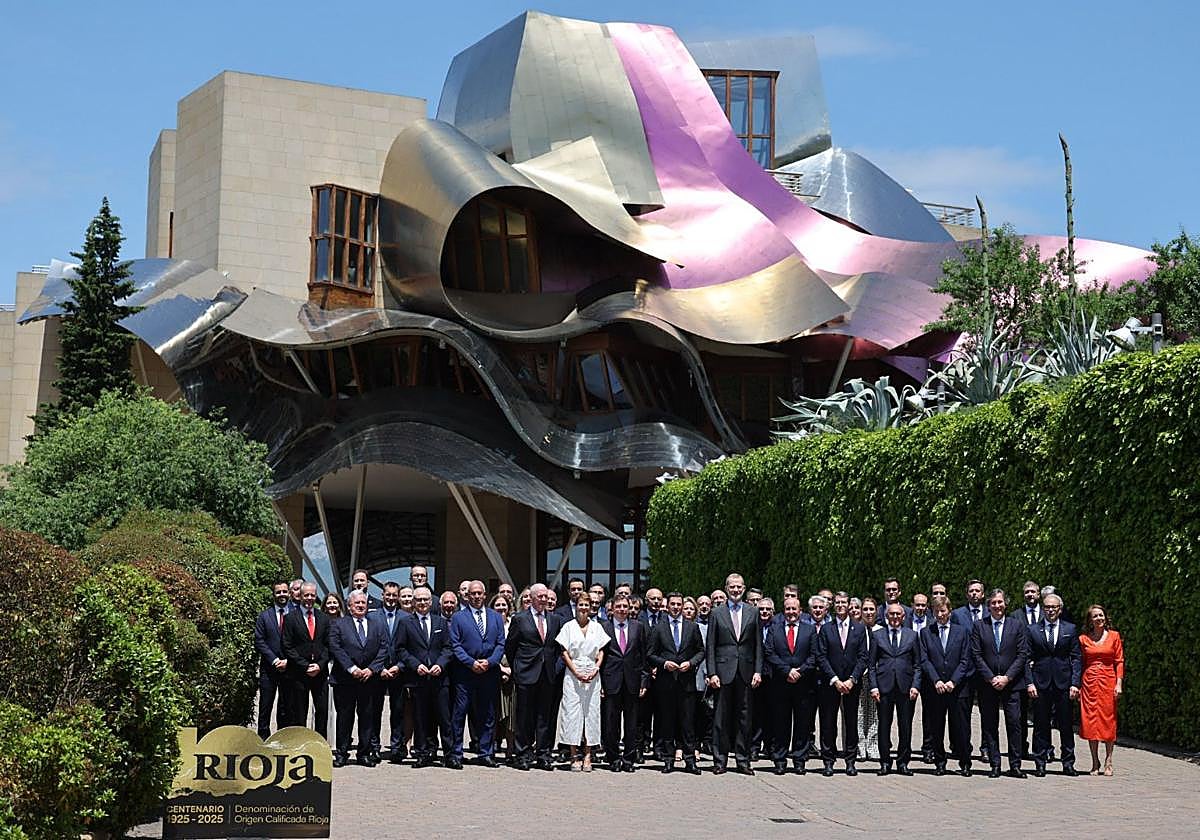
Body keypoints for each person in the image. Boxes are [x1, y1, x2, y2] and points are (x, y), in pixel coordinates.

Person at [706, 572, 763, 775]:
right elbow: (710, 646)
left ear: (744, 588)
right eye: (732, 587)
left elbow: (758, 645)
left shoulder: (752, 612)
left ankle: (743, 760)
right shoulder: (716, 613)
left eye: (739, 587)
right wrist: (712, 672)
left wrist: (758, 670)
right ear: (726, 588)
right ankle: (720, 760)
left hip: (746, 672)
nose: (736, 590)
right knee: (721, 718)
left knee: (744, 718)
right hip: (722, 672)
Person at [971, 588, 1030, 778]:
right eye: (993, 603)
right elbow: (976, 654)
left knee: (1014, 724)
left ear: (1006, 604)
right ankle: (995, 764)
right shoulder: (980, 626)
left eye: (1000, 602)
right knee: (990, 724)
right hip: (987, 684)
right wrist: (990, 677)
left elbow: (1022, 654)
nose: (997, 606)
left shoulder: (1017, 625)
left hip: (1012, 684)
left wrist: (1007, 677)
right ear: (988, 606)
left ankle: (1015, 764)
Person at [448, 580, 506, 769]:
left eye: (479, 593)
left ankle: (486, 753)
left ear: (485, 595)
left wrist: (489, 662)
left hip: (489, 673)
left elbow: (500, 644)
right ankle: (456, 753)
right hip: (465, 673)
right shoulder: (458, 617)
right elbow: (455, 645)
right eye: (473, 593)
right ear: (467, 595)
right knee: (460, 714)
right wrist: (471, 662)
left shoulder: (496, 617)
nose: (476, 596)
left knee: (488, 714)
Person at [505, 583, 563, 771]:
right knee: (524, 717)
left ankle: (543, 754)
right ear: (531, 597)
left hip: (547, 675)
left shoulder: (555, 620)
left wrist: (554, 668)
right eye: (540, 596)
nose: (544, 600)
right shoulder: (520, 619)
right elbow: (510, 647)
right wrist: (518, 669)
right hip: (526, 674)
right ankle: (523, 754)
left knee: (545, 717)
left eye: (546, 597)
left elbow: (558, 648)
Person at [646, 592, 704, 774]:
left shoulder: (692, 627)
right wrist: (663, 663)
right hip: (666, 682)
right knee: (667, 722)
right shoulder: (658, 628)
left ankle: (690, 760)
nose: (676, 607)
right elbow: (650, 654)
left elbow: (701, 651)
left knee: (688, 724)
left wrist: (691, 663)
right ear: (668, 605)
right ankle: (668, 759)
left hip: (686, 683)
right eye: (673, 604)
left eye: (679, 604)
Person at [328, 591, 387, 767]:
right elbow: (336, 648)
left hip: (369, 680)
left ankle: (364, 754)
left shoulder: (376, 625)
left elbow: (383, 649)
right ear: (349, 605)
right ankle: (342, 753)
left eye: (363, 602)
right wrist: (351, 668)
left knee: (367, 718)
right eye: (357, 603)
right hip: (345, 680)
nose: (361, 605)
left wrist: (372, 669)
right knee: (344, 718)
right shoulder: (338, 624)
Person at [1026, 593, 1081, 776]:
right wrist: (1030, 683)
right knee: (1041, 724)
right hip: (1041, 683)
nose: (1050, 610)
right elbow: (1026, 658)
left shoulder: (1070, 629)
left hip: (1063, 683)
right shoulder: (1033, 630)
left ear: (1060, 609)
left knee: (1065, 724)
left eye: (1054, 607)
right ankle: (1040, 761)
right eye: (1047, 607)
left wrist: (1075, 683)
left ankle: (1068, 762)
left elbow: (1076, 658)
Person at [398, 586, 454, 768]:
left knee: (444, 719)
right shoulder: (406, 623)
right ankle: (422, 753)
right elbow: (401, 649)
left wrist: (440, 664)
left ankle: (449, 754)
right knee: (420, 718)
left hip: (440, 679)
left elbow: (448, 648)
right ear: (413, 602)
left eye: (425, 600)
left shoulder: (440, 623)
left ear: (431, 602)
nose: (422, 603)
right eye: (419, 599)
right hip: (418, 679)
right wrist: (416, 665)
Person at [763, 594, 817, 775]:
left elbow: (814, 655)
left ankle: (799, 759)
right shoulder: (774, 629)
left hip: (803, 684)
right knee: (780, 723)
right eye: (788, 609)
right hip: (781, 683)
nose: (791, 612)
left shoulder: (809, 630)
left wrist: (800, 671)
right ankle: (779, 759)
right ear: (783, 611)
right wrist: (787, 671)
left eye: (794, 609)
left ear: (800, 611)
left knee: (802, 724)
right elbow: (769, 652)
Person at [920, 594, 974, 776]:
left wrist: (953, 681)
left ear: (949, 611)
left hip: (957, 688)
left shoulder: (962, 632)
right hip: (935, 688)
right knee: (936, 727)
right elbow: (925, 660)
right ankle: (940, 762)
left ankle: (965, 762)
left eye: (943, 610)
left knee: (961, 727)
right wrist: (936, 680)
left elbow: (965, 660)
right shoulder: (926, 633)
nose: (940, 614)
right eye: (936, 611)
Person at [556, 593, 610, 771]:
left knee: (591, 714)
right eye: (581, 604)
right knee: (572, 714)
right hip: (573, 673)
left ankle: (588, 755)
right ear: (576, 606)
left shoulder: (597, 627)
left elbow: (602, 650)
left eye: (587, 605)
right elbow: (563, 652)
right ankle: (573, 755)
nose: (584, 608)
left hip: (593, 673)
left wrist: (596, 668)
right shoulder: (568, 627)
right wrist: (576, 671)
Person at [815, 592, 867, 776]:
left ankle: (850, 760)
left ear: (849, 604)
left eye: (844, 602)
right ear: (833, 605)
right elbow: (821, 657)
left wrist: (852, 679)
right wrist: (835, 680)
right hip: (831, 684)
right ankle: (828, 760)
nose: (840, 605)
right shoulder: (826, 629)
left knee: (851, 723)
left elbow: (863, 657)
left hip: (852, 684)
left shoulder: (859, 629)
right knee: (828, 723)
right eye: (837, 602)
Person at [869, 603, 922, 775]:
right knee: (884, 726)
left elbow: (918, 665)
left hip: (906, 688)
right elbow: (871, 666)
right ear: (886, 616)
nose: (895, 617)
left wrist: (915, 686)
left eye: (898, 614)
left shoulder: (912, 636)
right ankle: (885, 762)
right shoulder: (877, 635)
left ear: (904, 616)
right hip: (884, 688)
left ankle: (903, 762)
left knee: (905, 726)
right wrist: (874, 687)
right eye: (891, 614)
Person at [600, 594, 648, 772]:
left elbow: (642, 657)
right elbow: (600, 657)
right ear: (612, 609)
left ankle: (629, 759)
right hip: (611, 681)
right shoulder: (603, 628)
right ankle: (612, 758)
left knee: (631, 724)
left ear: (629, 609)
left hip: (632, 681)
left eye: (625, 606)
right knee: (611, 723)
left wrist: (644, 681)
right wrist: (601, 684)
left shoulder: (638, 627)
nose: (621, 609)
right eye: (618, 606)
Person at [1079, 604, 1124, 776]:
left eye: (1101, 615)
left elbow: (1119, 660)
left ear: (1105, 617)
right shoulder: (1083, 639)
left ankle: (1109, 760)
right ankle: (1094, 761)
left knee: (1108, 720)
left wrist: (1118, 684)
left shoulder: (1114, 636)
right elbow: (1079, 663)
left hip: (1108, 681)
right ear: (1090, 620)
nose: (1099, 618)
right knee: (1090, 721)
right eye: (1095, 616)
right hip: (1089, 682)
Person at [282, 582, 332, 737]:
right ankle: (300, 744)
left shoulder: (323, 618)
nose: (309, 598)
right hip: (298, 674)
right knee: (299, 712)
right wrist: (305, 666)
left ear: (316, 596)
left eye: (312, 595)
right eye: (306, 595)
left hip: (320, 673)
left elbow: (328, 645)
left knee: (322, 711)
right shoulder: (290, 618)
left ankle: (319, 744)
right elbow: (287, 646)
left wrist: (319, 664)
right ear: (300, 596)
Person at [253, 581, 293, 739]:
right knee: (265, 705)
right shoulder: (264, 616)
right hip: (269, 669)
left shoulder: (295, 615)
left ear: (289, 593)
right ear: (274, 595)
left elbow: (299, 642)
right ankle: (262, 738)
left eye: (284, 591)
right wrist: (275, 660)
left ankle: (281, 739)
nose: (282, 594)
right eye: (278, 592)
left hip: (289, 668)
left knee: (285, 706)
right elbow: (259, 640)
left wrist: (288, 661)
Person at [376, 582, 409, 764]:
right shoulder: (373, 617)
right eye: (387, 594)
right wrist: (379, 668)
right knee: (375, 711)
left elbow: (410, 647)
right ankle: (373, 747)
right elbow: (371, 646)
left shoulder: (406, 617)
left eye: (394, 595)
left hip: (399, 671)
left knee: (398, 711)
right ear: (382, 595)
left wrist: (399, 666)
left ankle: (397, 748)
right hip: (378, 672)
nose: (391, 598)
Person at [491, 594, 516, 759]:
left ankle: (510, 749)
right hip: (493, 672)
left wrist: (511, 670)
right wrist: (500, 668)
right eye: (497, 605)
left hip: (513, 674)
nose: (501, 608)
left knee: (512, 714)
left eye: (504, 605)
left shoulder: (514, 625)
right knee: (494, 713)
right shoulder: (489, 624)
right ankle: (492, 747)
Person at [752, 597, 776, 761]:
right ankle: (754, 747)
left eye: (768, 609)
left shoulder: (778, 627)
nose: (764, 612)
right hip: (755, 675)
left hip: (773, 676)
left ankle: (770, 747)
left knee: (772, 713)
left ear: (773, 612)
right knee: (755, 713)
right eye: (761, 609)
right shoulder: (752, 627)